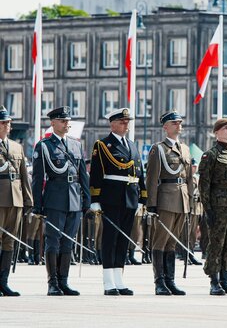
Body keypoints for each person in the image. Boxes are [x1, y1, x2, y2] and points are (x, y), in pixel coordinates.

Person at [32, 106, 90, 296]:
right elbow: (38, 178)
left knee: (68, 242)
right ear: (53, 123)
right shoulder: (44, 146)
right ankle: (53, 283)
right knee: (53, 241)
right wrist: (37, 205)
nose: (67, 124)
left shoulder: (75, 145)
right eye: (63, 121)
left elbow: (83, 175)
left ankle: (64, 281)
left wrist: (87, 199)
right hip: (55, 198)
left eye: (68, 121)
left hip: (74, 199)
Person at [89, 108, 147, 295]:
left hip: (130, 197)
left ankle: (119, 279)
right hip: (111, 198)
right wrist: (95, 199)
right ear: (112, 124)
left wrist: (141, 198)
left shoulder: (132, 145)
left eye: (127, 121)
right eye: (122, 122)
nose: (126, 124)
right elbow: (96, 174)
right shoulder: (103, 145)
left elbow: (140, 173)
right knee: (110, 239)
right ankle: (108, 282)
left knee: (123, 240)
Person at [146, 110, 193, 296]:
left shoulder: (186, 149)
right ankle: (159, 282)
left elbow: (189, 178)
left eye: (180, 122)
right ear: (165, 127)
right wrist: (151, 204)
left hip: (182, 201)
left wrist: (189, 199)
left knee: (172, 243)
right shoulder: (158, 149)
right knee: (160, 241)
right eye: (174, 123)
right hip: (165, 199)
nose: (178, 125)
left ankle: (170, 281)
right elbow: (152, 178)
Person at [198, 118, 227, 296]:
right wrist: (208, 209)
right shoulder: (210, 155)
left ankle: (226, 279)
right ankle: (214, 280)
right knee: (216, 243)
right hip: (218, 205)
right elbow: (204, 185)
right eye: (224, 128)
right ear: (216, 132)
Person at [0, 106, 33, 296]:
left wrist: (28, 200)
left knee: (9, 242)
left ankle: (4, 282)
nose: (7, 126)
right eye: (3, 123)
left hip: (16, 200)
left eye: (9, 123)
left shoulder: (16, 147)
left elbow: (23, 176)